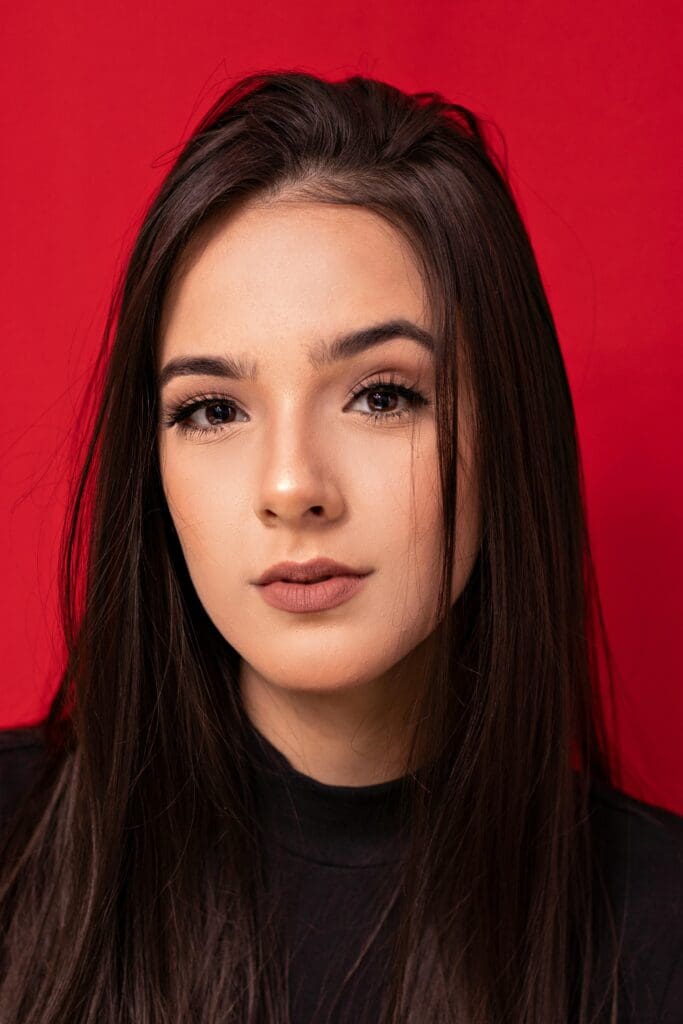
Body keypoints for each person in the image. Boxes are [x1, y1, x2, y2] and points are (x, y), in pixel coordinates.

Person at [0, 69, 681, 1024]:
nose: (290, 488)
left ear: (507, 427)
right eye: (211, 409)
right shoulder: (17, 852)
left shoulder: (656, 928)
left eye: (381, 396)